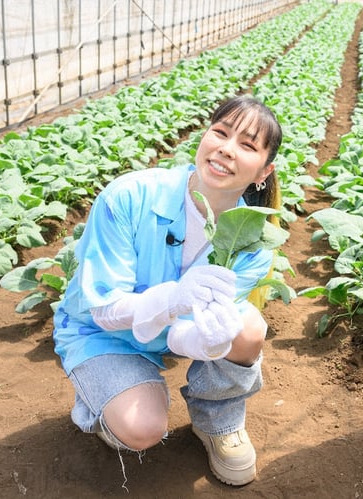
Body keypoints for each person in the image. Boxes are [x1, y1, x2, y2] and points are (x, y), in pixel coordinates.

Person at [53, 95, 282, 486]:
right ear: (204, 136)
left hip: (169, 335)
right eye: (221, 133)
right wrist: (172, 297)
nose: (226, 149)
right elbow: (104, 311)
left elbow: (191, 327)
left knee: (248, 330)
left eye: (247, 145)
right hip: (104, 334)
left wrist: (207, 342)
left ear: (263, 171)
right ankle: (103, 401)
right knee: (141, 430)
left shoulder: (254, 239)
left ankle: (218, 420)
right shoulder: (128, 196)